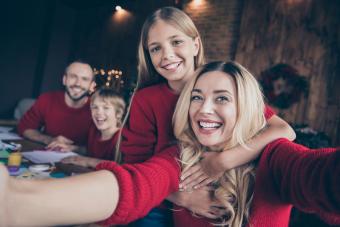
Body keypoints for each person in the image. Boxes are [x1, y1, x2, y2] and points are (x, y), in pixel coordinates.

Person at [0, 61, 339, 227]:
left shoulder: (275, 157)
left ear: (248, 107)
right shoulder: (179, 154)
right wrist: (19, 202)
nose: (204, 109)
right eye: (196, 98)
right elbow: (131, 185)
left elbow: (318, 175)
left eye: (222, 98)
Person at [120, 6, 295, 226]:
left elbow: (284, 130)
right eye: (155, 48)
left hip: (221, 192)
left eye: (176, 42)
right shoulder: (147, 99)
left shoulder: (222, 80)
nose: (167, 55)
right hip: (163, 200)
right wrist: (183, 197)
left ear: (195, 45)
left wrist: (223, 161)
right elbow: (136, 163)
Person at [18, 60, 95, 150]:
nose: (78, 83)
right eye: (73, 77)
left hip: (79, 161)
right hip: (46, 157)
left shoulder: (97, 109)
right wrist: (49, 140)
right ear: (64, 80)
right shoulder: (47, 99)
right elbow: (24, 127)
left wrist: (74, 148)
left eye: (84, 79)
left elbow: (102, 150)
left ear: (91, 86)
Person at [61, 87, 126, 168]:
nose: (99, 112)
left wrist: (86, 161)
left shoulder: (122, 138)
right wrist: (73, 148)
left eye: (106, 108)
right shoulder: (94, 131)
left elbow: (121, 166)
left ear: (118, 113)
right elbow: (91, 151)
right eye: (95, 107)